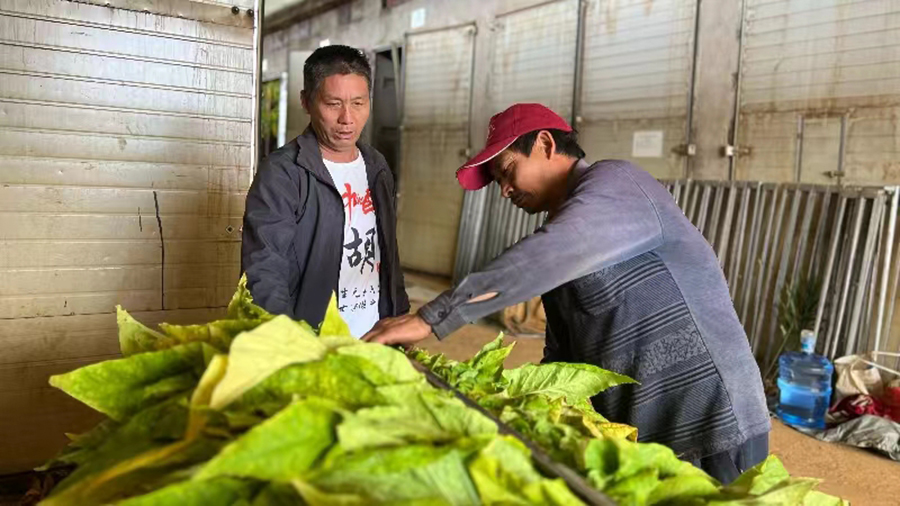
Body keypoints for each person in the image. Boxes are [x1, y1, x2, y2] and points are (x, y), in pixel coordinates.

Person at [363, 103, 770, 483]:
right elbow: (563, 357)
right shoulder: (564, 245)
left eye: (507, 171)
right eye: (498, 183)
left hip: (712, 422)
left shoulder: (618, 184)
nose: (504, 191)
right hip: (645, 439)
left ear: (544, 144)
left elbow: (546, 255)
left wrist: (428, 319)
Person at [242, 45, 409, 337]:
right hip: (313, 338)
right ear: (306, 102)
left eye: (359, 103)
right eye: (333, 104)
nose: (347, 118)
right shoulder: (284, 172)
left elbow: (387, 252)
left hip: (374, 335)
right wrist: (288, 341)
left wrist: (399, 316)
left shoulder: (376, 166)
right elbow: (265, 269)